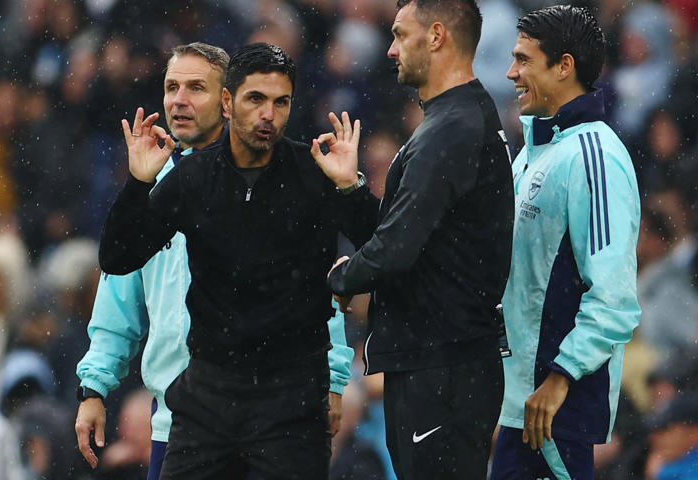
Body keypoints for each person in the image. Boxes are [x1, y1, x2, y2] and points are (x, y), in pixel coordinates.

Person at [74, 43, 355, 479]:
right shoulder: (157, 186)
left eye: (195, 88)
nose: (178, 100)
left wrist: (334, 378)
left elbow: (313, 288)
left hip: (277, 407)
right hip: (183, 416)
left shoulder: (285, 181)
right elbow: (118, 284)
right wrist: (94, 386)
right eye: (171, 87)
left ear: (228, 101)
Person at [322, 0, 514, 477]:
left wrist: (340, 279)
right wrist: (350, 190)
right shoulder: (455, 118)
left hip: (443, 368)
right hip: (442, 363)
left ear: (435, 36)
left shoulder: (451, 129)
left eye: (399, 35)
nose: (390, 49)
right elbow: (402, 238)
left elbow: (395, 249)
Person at [490, 6, 641, 480]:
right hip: (521, 406)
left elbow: (614, 297)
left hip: (553, 411)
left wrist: (560, 378)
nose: (510, 72)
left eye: (523, 60)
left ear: (564, 66)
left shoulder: (596, 156)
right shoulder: (534, 153)